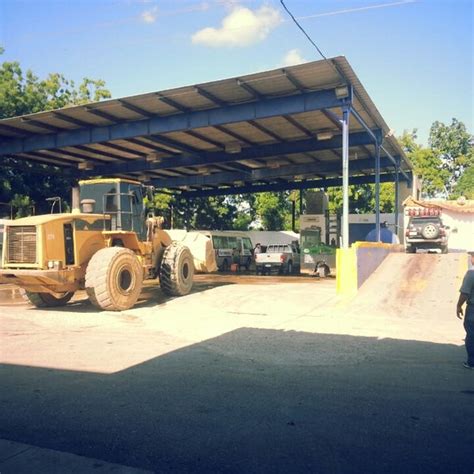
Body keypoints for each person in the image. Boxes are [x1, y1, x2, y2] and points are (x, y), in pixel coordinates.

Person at [456, 251, 474, 369]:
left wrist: (458, 306)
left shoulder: (471, 273)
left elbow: (465, 293)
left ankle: (472, 362)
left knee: (472, 334)